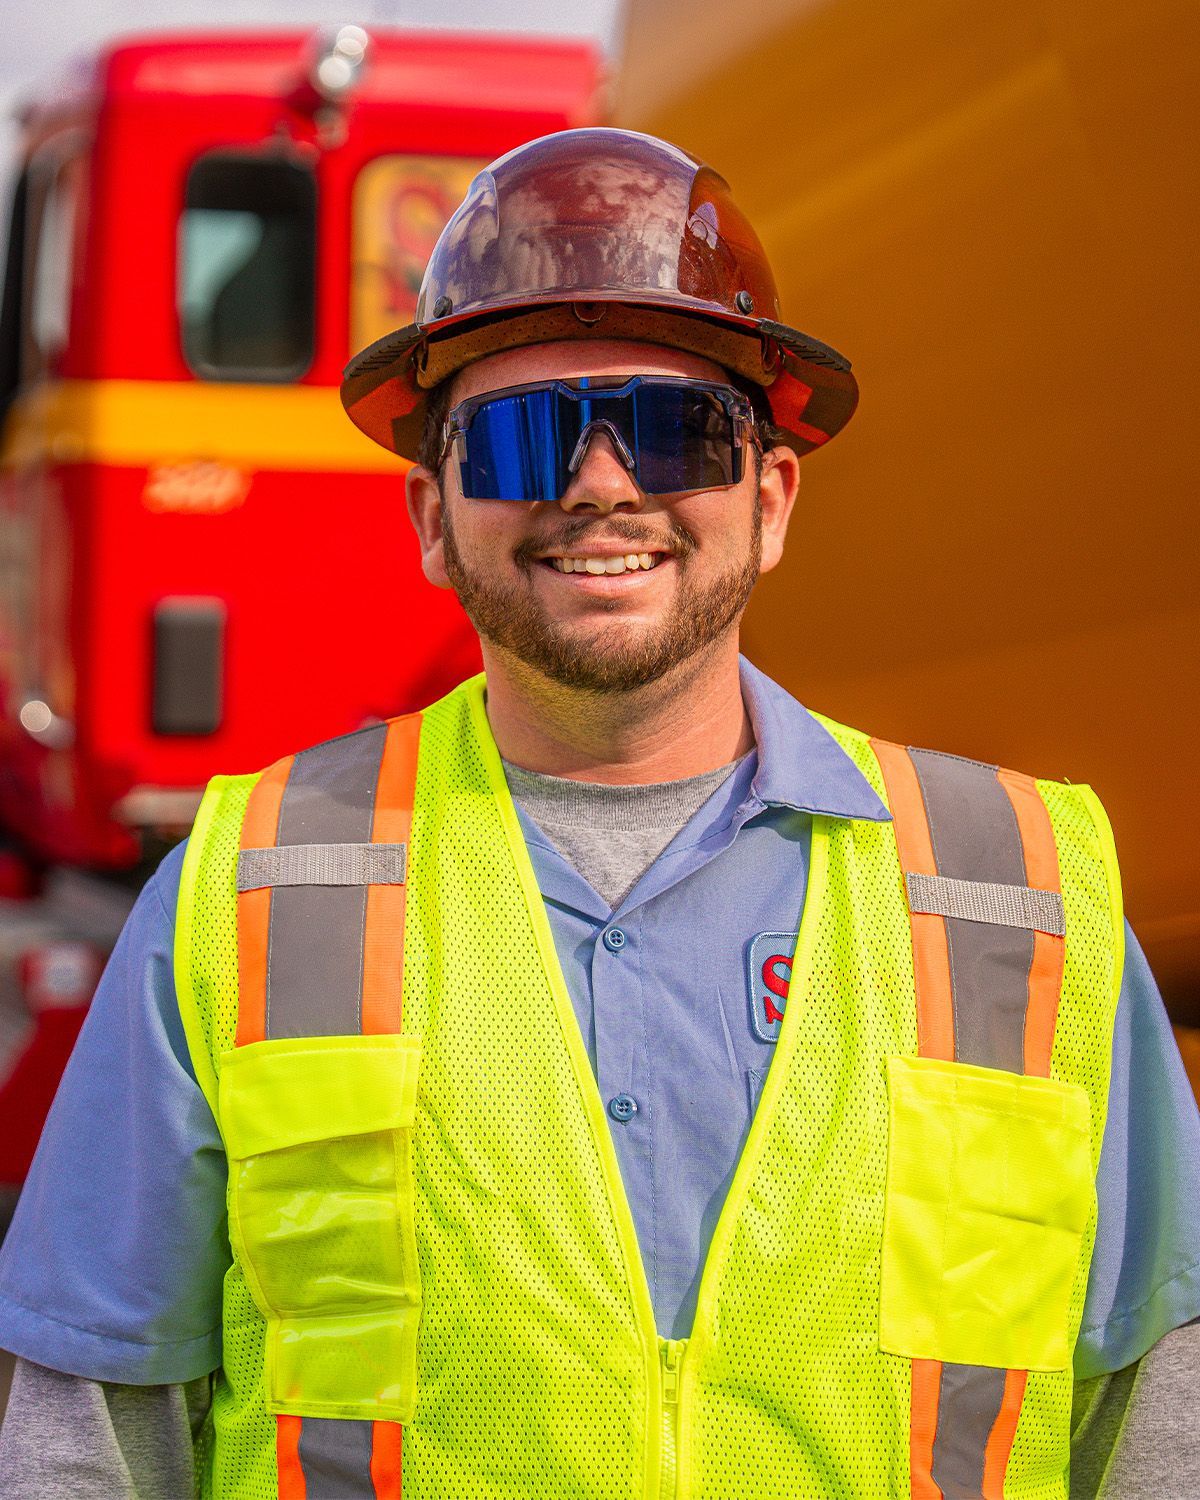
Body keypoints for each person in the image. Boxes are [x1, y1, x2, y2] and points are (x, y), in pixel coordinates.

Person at [0, 127, 1197, 1500]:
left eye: (677, 429)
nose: (601, 486)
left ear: (773, 497)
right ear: (433, 518)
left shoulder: (1021, 898)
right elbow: (88, 1450)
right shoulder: (247, 897)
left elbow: (1152, 1425)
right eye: (519, 440)